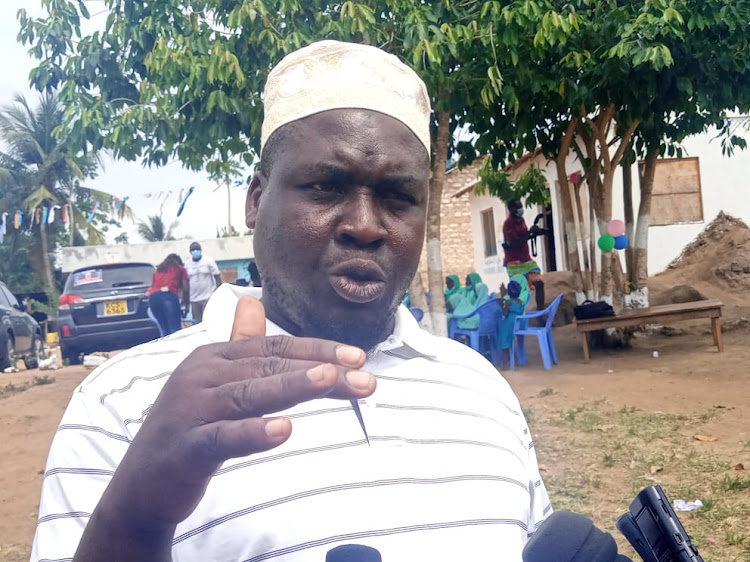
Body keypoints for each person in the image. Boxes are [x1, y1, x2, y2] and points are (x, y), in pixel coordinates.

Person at [32, 41, 550, 562]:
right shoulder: (124, 402)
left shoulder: (479, 387)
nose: (366, 226)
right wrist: (136, 517)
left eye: (398, 197)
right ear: (256, 200)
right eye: (326, 187)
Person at [502, 199, 546, 311]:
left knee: (539, 283)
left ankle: (541, 312)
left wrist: (537, 232)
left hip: (526, 260)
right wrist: (529, 233)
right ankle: (517, 314)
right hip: (513, 262)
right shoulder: (508, 224)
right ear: (511, 209)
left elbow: (525, 236)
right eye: (518, 207)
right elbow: (515, 242)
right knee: (518, 290)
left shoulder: (521, 220)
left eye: (521, 206)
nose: (521, 209)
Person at [146, 253, 190, 336]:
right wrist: (186, 305)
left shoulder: (158, 271)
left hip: (153, 299)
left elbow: (154, 287)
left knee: (164, 329)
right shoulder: (180, 269)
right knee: (175, 330)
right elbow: (186, 288)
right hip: (168, 296)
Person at [497, 274, 531, 368]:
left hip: (510, 326)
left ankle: (506, 362)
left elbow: (505, 313)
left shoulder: (508, 302)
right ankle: (514, 358)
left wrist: (502, 304)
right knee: (507, 337)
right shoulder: (520, 302)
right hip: (520, 324)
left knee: (503, 338)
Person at [185, 241, 221, 323]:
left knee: (208, 320)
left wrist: (218, 292)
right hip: (194, 299)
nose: (195, 251)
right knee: (198, 322)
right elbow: (186, 282)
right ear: (190, 252)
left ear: (200, 250)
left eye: (197, 249)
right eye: (193, 250)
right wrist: (186, 299)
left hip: (207, 297)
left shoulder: (208, 261)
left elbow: (217, 276)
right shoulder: (187, 264)